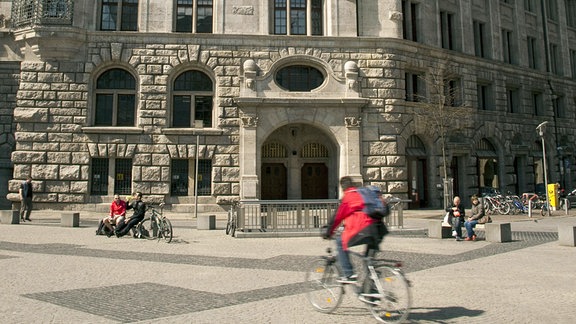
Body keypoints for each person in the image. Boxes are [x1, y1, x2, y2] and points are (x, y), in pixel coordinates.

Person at [323, 176, 388, 285]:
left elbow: (337, 218)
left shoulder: (349, 197)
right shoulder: (363, 193)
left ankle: (348, 274)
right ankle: (372, 293)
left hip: (364, 229)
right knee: (368, 262)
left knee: (340, 242)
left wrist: (328, 232)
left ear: (342, 188)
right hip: (379, 230)